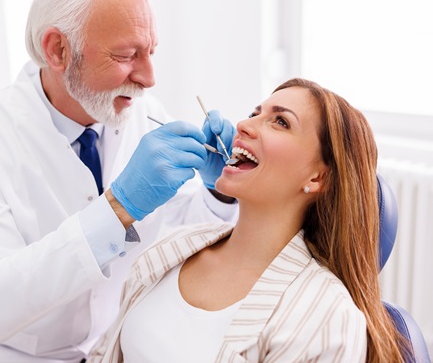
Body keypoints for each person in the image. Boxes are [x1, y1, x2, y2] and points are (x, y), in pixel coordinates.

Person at [0, 0, 237, 362]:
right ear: (58, 50)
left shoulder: (144, 112)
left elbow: (182, 227)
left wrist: (218, 191)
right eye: (126, 55)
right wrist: (117, 208)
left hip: (108, 346)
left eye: (150, 52)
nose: (149, 77)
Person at [89, 78, 409, 363]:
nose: (243, 124)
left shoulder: (326, 317)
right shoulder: (171, 249)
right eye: (255, 112)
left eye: (280, 122)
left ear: (317, 176)